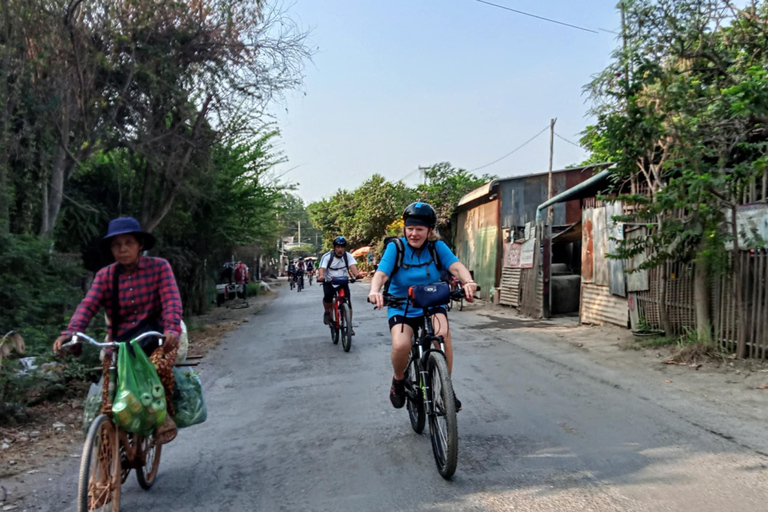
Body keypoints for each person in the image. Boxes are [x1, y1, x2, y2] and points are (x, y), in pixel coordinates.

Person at [53, 216, 182, 442]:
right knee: (109, 389)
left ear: (140, 245)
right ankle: (107, 448)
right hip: (120, 339)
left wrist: (171, 328)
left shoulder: (160, 267)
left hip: (155, 335)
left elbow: (171, 300)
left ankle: (163, 416)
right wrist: (71, 332)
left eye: (129, 243)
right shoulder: (105, 276)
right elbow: (88, 304)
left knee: (157, 368)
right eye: (116, 245)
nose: (123, 249)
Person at [367, 202, 477, 411]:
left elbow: (455, 266)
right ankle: (399, 380)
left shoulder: (437, 247)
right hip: (402, 306)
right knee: (401, 345)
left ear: (429, 231)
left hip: (432, 303)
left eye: (419, 229)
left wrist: (467, 281)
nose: (414, 234)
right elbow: (381, 274)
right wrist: (375, 291)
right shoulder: (396, 248)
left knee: (443, 335)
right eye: (410, 229)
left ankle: (446, 390)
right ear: (405, 229)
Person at [318, 236, 362, 335]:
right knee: (328, 298)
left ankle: (349, 326)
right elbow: (322, 268)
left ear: (344, 248)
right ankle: (327, 312)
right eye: (338, 247)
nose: (340, 249)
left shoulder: (348, 256)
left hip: (343, 282)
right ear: (334, 248)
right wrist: (321, 276)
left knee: (348, 302)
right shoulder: (327, 257)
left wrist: (357, 275)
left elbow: (353, 266)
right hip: (329, 281)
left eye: (342, 247)